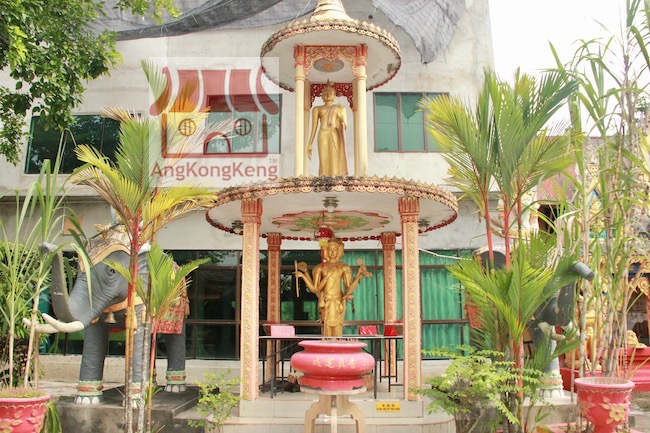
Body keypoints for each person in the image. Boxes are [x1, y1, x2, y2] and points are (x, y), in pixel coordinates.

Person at [295, 239, 371, 336]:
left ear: (339, 251)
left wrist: (359, 277)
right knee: (326, 332)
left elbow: (348, 289)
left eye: (334, 249)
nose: (332, 252)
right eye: (329, 249)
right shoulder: (319, 267)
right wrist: (304, 275)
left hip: (338, 303)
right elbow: (315, 289)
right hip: (325, 302)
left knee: (338, 332)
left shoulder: (344, 267)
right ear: (326, 251)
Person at [307, 81, 348, 176]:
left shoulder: (338, 108)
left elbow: (344, 124)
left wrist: (341, 114)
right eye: (325, 92)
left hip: (334, 133)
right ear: (322, 96)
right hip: (323, 133)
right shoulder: (317, 109)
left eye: (330, 92)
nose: (328, 94)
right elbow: (314, 127)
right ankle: (323, 175)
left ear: (334, 95)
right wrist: (310, 143)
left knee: (334, 154)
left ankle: (335, 175)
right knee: (323, 156)